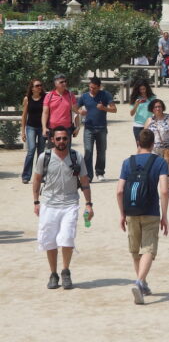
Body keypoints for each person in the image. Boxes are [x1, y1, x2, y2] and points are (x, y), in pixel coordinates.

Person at [31, 126, 93, 290]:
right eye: (58, 138)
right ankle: (53, 273)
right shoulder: (44, 157)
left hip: (70, 203)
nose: (61, 141)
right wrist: (36, 201)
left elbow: (85, 181)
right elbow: (37, 179)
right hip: (49, 204)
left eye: (64, 138)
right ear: (52, 139)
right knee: (49, 240)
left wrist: (88, 204)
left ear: (69, 139)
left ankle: (65, 271)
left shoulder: (76, 157)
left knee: (67, 238)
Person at [116, 129, 169, 305]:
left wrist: (122, 214)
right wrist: (165, 215)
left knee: (135, 249)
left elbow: (119, 190)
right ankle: (139, 282)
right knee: (148, 248)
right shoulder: (160, 162)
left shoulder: (127, 162)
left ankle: (143, 282)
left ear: (138, 143)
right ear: (153, 144)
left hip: (131, 211)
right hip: (151, 211)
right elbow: (163, 190)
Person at [77, 77, 116, 182]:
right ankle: (88, 175)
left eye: (94, 88)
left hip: (102, 128)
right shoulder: (84, 96)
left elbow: (114, 109)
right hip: (88, 128)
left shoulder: (105, 95)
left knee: (101, 152)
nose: (91, 89)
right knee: (88, 151)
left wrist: (104, 108)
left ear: (99, 87)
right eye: (90, 87)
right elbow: (74, 107)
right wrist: (80, 111)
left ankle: (100, 172)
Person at [41, 74, 80, 149]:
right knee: (51, 153)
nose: (64, 84)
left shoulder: (70, 95)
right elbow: (45, 113)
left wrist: (78, 127)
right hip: (52, 129)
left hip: (67, 129)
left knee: (66, 153)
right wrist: (44, 127)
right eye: (61, 82)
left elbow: (76, 112)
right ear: (55, 84)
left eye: (65, 81)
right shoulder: (49, 96)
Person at [21, 78, 46, 184]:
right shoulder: (27, 99)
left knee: (41, 152)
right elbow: (24, 115)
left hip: (42, 128)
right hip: (31, 127)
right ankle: (26, 176)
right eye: (37, 85)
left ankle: (40, 176)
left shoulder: (45, 98)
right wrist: (23, 131)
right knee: (31, 150)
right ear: (32, 88)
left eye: (40, 85)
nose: (39, 87)